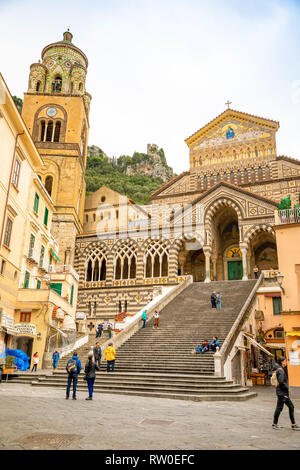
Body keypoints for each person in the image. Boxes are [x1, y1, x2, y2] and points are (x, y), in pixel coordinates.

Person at [272, 356, 300, 430]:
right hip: (282, 393)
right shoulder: (281, 370)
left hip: (282, 393)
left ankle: (293, 424)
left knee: (290, 407)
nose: (286, 362)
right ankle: (275, 424)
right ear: (282, 362)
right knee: (280, 408)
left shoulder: (278, 369)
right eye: (285, 361)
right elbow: (281, 382)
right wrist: (287, 388)